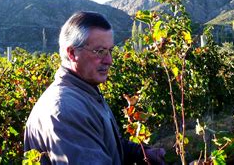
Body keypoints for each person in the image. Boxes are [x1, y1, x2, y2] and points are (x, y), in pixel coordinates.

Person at [24, 11, 166, 164]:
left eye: (110, 51)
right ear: (72, 53)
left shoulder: (86, 93)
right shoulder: (66, 109)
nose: (109, 60)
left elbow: (104, 143)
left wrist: (142, 153)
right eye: (100, 52)